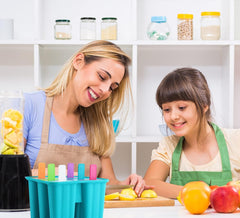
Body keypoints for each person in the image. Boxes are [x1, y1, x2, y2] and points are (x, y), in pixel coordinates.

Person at [24, 40, 147, 196]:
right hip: (32, 215)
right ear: (79, 61)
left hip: (83, 217)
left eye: (112, 87)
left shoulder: (98, 123)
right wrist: (58, 174)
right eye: (102, 77)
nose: (104, 90)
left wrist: (127, 185)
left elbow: (108, 186)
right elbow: (7, 172)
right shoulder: (29, 105)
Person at [144, 67, 240, 199]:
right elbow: (149, 183)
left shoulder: (236, 140)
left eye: (182, 108)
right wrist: (199, 194)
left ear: (204, 105)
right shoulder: (169, 145)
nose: (173, 116)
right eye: (166, 110)